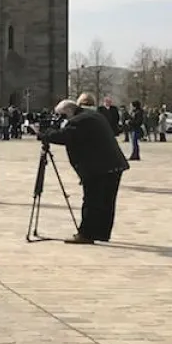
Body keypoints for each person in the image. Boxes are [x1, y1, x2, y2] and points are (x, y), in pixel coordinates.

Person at [44, 95, 130, 244]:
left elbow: (66, 136)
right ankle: (101, 233)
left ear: (68, 112)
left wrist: (44, 135)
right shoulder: (92, 115)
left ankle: (86, 234)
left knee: (91, 200)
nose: (61, 120)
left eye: (61, 116)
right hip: (112, 164)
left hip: (99, 167)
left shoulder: (80, 120)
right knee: (106, 202)